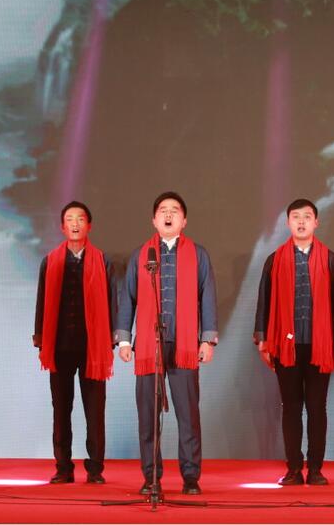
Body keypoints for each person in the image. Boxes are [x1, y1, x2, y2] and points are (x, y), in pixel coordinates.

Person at [115, 191, 218, 497]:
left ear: (184, 220)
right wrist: (124, 339)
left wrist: (207, 339)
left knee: (188, 415)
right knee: (148, 416)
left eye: (175, 210)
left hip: (185, 345)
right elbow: (127, 298)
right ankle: (151, 477)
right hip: (150, 345)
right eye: (163, 210)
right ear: (154, 219)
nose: (169, 214)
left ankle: (190, 476)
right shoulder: (141, 255)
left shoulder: (198, 255)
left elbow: (207, 297)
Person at [253, 198, 334, 487]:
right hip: (286, 347)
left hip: (320, 346)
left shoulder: (331, 260)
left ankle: (316, 468)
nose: (301, 222)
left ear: (316, 222)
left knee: (317, 408)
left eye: (307, 217)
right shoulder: (275, 260)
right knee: (291, 407)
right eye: (296, 217)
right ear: (288, 223)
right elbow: (264, 302)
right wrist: (262, 341)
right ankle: (294, 468)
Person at [33, 201, 114, 485]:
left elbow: (112, 302)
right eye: (70, 219)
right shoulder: (51, 261)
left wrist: (113, 339)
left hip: (93, 347)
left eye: (80, 219)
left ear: (89, 225)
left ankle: (95, 469)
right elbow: (42, 302)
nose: (75, 224)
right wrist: (40, 339)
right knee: (61, 410)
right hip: (59, 346)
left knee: (95, 411)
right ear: (62, 226)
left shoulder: (103, 261)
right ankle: (63, 467)